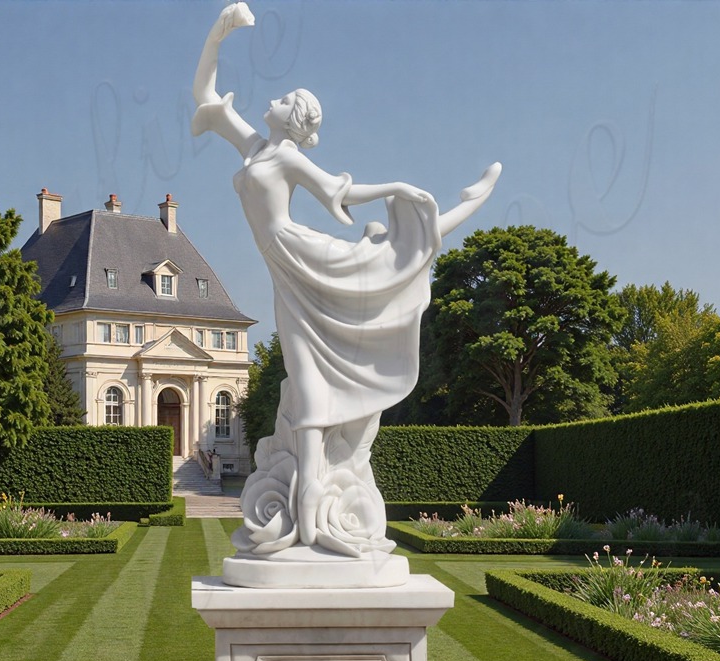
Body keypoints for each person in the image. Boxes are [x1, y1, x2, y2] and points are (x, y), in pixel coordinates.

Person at [192, 3, 501, 556]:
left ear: (292, 122)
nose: (276, 98)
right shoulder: (254, 146)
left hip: (301, 254)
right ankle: (307, 496)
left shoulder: (285, 157)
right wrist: (218, 35)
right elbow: (204, 96)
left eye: (287, 100)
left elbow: (340, 192)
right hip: (283, 267)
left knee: (383, 270)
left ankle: (456, 213)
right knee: (301, 364)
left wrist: (397, 189)